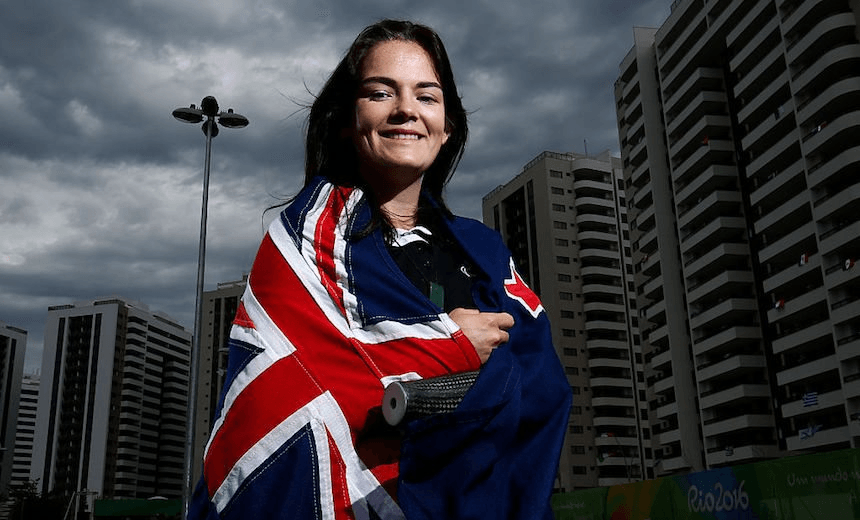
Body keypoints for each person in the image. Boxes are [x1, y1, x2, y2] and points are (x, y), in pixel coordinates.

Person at [189, 19, 570, 520]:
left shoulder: (486, 252)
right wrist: (450, 345)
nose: (406, 109)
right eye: (380, 92)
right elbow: (282, 396)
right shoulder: (303, 238)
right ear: (348, 118)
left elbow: (539, 391)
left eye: (426, 97)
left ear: (447, 125)